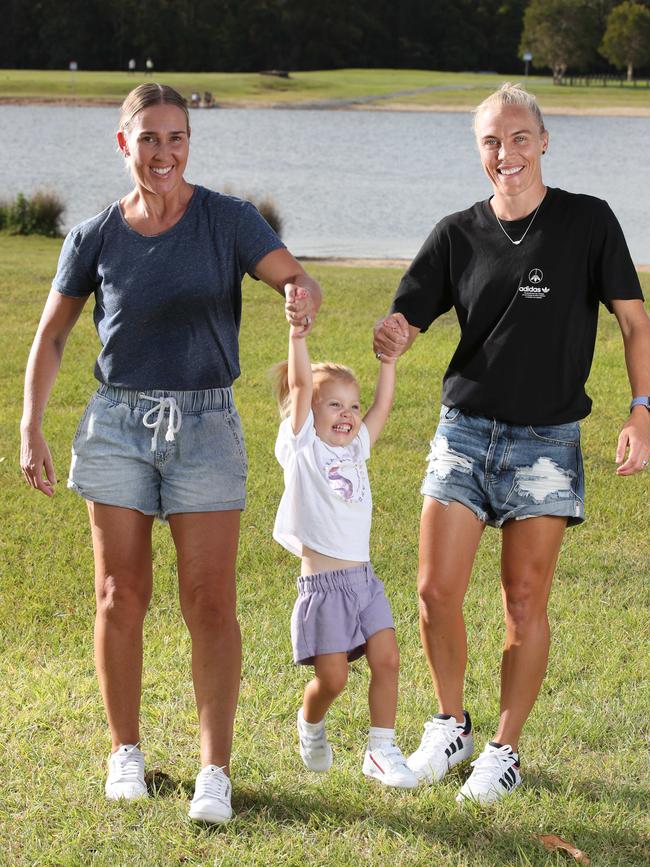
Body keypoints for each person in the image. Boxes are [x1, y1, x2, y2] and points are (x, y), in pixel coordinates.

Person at [19, 82, 321, 824]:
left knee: (209, 600)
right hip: (117, 424)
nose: (162, 152)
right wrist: (31, 422)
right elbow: (53, 335)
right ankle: (125, 751)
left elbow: (289, 272)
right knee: (120, 595)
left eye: (176, 137)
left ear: (190, 143)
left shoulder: (228, 220)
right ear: (124, 144)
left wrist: (300, 288)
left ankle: (212, 770)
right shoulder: (93, 236)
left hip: (206, 426)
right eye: (147, 138)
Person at [373, 83, 650, 804]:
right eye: (492, 141)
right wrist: (396, 332)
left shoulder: (588, 222)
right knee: (436, 589)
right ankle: (450, 722)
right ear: (480, 151)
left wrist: (641, 408)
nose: (507, 153)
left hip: (548, 440)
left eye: (520, 137)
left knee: (524, 601)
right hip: (464, 432)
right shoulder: (456, 232)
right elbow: (409, 313)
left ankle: (505, 746)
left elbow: (634, 322)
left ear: (545, 140)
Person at [271, 300, 417, 788]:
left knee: (389, 658)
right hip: (324, 587)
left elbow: (383, 408)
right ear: (309, 411)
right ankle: (311, 723)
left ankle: (381, 749)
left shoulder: (357, 448)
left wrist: (389, 364)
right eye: (334, 403)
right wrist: (297, 335)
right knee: (332, 680)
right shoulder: (303, 449)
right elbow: (297, 385)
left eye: (352, 406)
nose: (348, 414)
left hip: (365, 580)